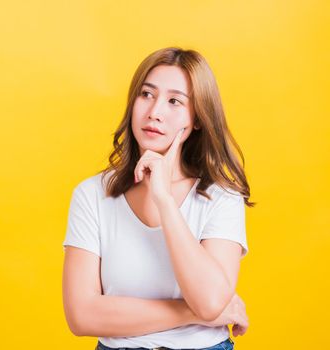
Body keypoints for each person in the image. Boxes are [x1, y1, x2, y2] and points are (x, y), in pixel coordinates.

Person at [62, 47, 255, 350]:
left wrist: (165, 201)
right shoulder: (92, 195)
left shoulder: (221, 197)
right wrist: (192, 314)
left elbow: (209, 302)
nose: (154, 112)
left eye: (174, 101)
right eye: (146, 95)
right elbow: (81, 316)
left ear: (198, 118)